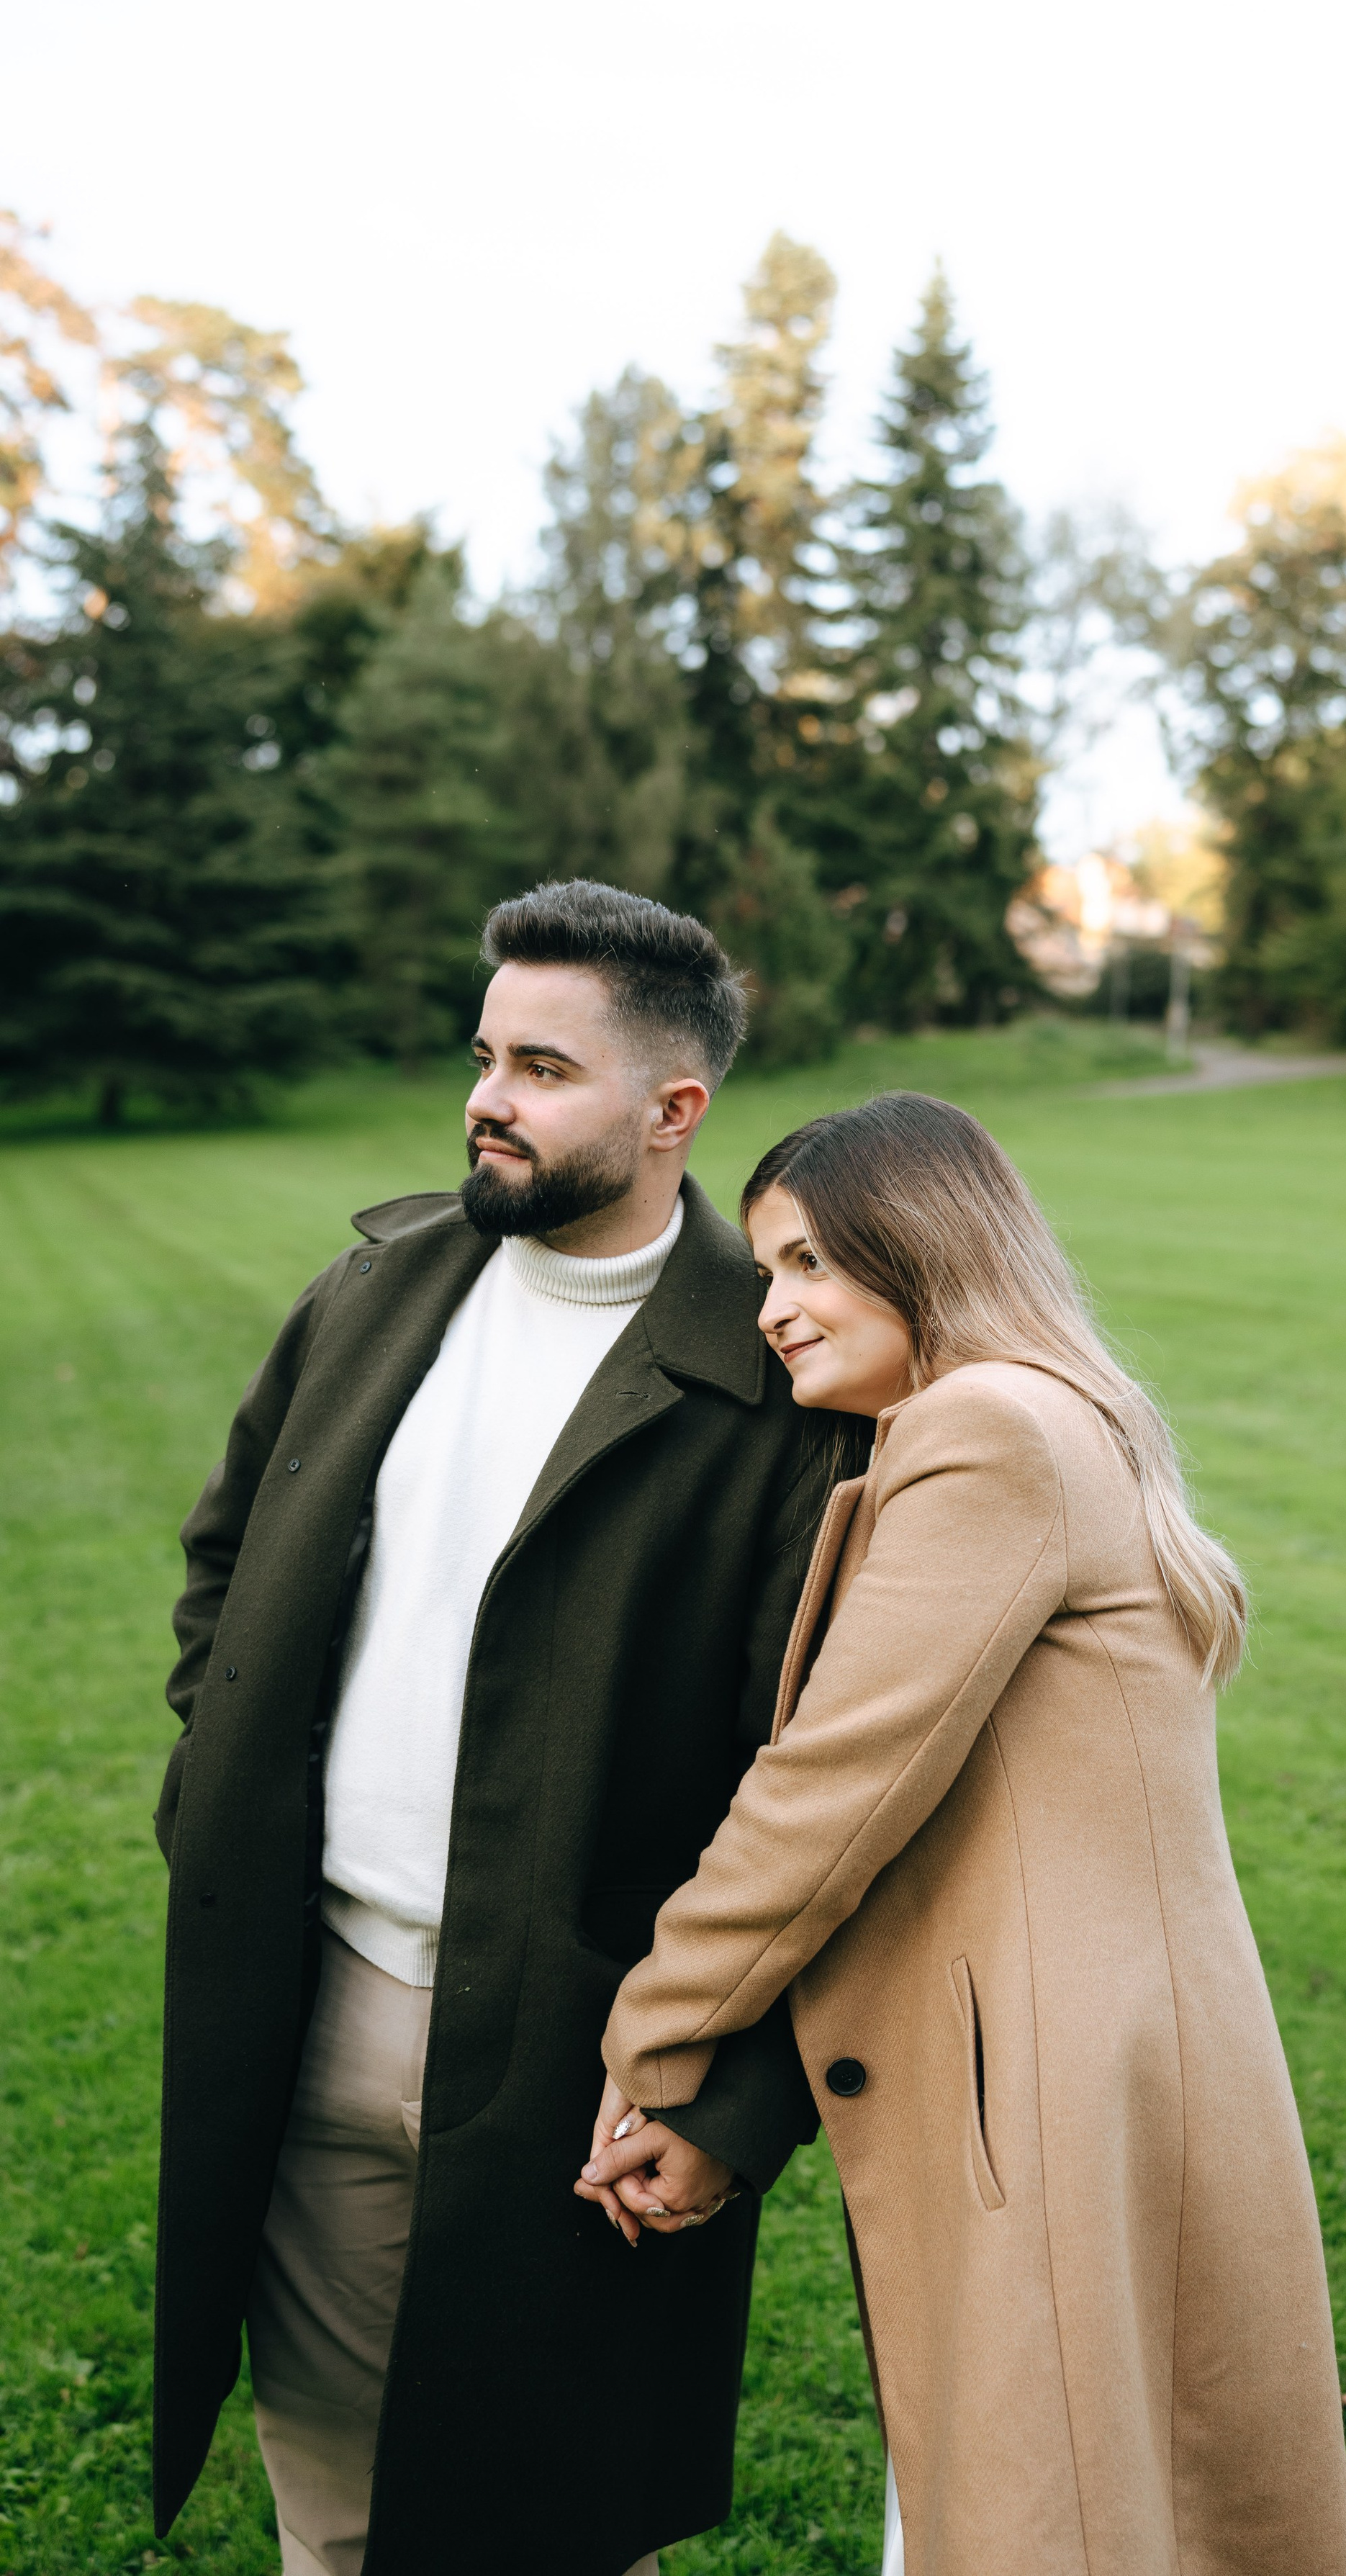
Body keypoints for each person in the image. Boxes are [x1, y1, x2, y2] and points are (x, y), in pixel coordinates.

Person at [154, 881, 852, 2576]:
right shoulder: (376, 1287)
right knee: (327, 2503)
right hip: (314, 1999)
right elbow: (224, 1576)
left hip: (588, 2063)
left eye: (542, 1066)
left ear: (670, 1110)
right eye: (485, 1055)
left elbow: (832, 1790)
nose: (487, 1096)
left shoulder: (777, 1393)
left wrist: (730, 2101)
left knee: (542, 2526)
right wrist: (219, 1805)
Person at [581, 1091, 1346, 2576]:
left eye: (808, 1263)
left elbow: (830, 1791)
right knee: (1086, 2494)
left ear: (921, 1250)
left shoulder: (985, 1431)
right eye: (764, 1272)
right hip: (1106, 2056)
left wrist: (650, 2038)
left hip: (1049, 2081)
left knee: (1036, 2506)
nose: (773, 1311)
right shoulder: (1054, 1419)